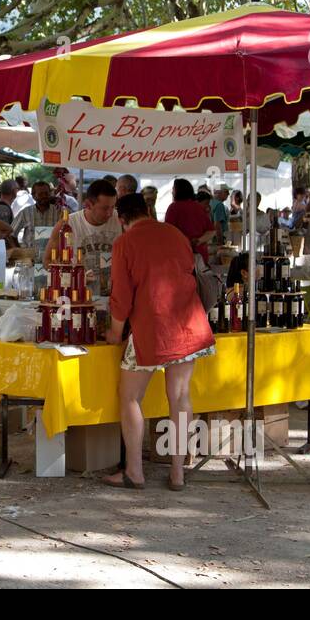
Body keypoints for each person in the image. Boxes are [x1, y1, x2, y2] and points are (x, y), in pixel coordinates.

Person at [103, 192, 215, 491]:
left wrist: (114, 332)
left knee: (129, 398)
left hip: (150, 328)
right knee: (180, 398)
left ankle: (134, 471)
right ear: (148, 210)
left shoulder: (124, 242)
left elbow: (122, 297)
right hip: (188, 322)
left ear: (120, 218)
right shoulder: (175, 234)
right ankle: (178, 473)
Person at [43, 180, 120, 293]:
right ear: (88, 204)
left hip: (113, 295)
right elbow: (47, 261)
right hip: (78, 295)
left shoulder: (121, 220)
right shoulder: (67, 224)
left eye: (112, 207)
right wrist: (74, 277)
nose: (109, 213)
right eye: (104, 208)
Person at [165, 178, 216, 258]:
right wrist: (199, 241)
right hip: (200, 255)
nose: (172, 192)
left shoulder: (173, 208)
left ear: (179, 191)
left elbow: (168, 232)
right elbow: (211, 231)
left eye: (173, 189)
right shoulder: (198, 207)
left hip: (181, 254)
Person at [14, 180, 64, 258]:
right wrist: (20, 251)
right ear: (33, 196)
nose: (44, 196)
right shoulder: (25, 212)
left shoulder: (59, 212)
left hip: (51, 260)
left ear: (50, 193)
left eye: (46, 193)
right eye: (40, 194)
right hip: (31, 260)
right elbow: (11, 234)